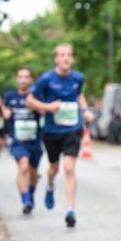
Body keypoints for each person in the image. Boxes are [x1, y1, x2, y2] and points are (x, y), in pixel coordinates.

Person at [27, 43, 94, 228]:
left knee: (69, 168)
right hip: (52, 131)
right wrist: (47, 107)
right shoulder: (46, 79)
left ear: (72, 58)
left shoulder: (78, 77)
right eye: (62, 55)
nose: (65, 58)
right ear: (56, 58)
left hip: (73, 129)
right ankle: (50, 184)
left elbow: (79, 95)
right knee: (54, 169)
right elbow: (30, 100)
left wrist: (85, 111)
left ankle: (70, 209)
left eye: (68, 55)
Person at [1, 67, 44, 215]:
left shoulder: (36, 95)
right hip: (18, 140)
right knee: (23, 167)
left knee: (33, 173)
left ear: (31, 79)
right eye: (20, 77)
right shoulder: (10, 96)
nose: (23, 80)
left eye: (26, 77)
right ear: (17, 79)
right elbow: (6, 114)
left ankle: (30, 193)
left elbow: (44, 111)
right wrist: (3, 109)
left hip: (35, 140)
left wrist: (35, 105)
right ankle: (25, 200)